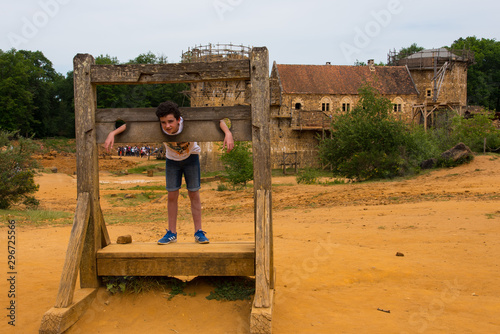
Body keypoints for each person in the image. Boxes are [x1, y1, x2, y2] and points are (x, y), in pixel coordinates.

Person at [104, 101, 234, 245]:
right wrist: (112, 132)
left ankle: (199, 232)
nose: (167, 126)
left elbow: (217, 119)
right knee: (172, 195)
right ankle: (172, 233)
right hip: (172, 160)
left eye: (171, 121)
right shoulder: (159, 127)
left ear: (179, 120)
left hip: (191, 157)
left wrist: (227, 132)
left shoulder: (187, 123)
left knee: (193, 194)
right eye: (163, 122)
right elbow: (131, 125)